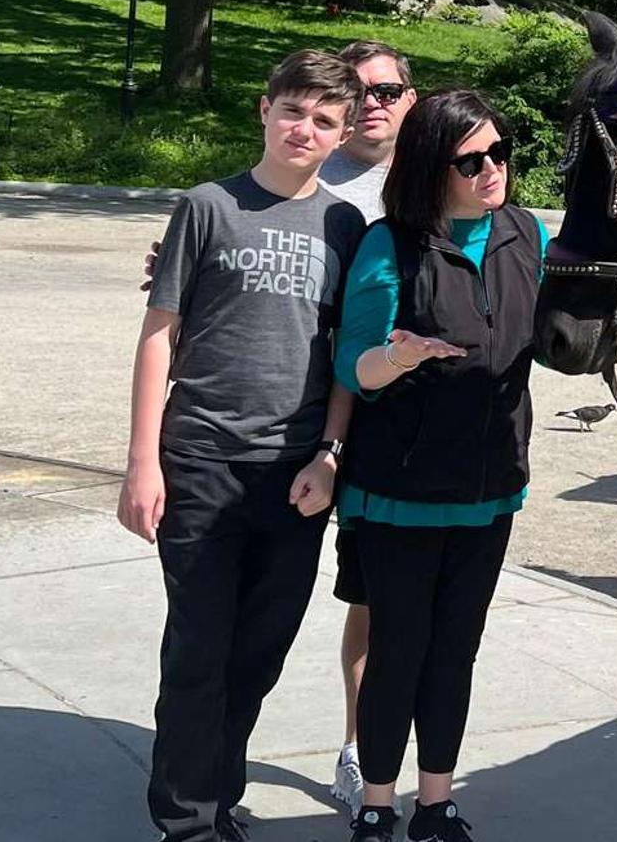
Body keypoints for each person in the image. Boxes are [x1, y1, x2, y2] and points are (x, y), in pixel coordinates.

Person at [139, 41, 417, 817]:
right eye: (292, 110)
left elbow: (342, 356)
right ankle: (188, 817)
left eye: (324, 118)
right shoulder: (207, 206)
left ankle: (216, 794)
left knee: (258, 651)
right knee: (199, 650)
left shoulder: (346, 228)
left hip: (293, 474)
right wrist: (141, 462)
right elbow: (159, 334)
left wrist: (329, 453)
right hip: (198, 459)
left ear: (339, 136)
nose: (305, 127)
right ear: (264, 110)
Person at [332, 89, 547, 842]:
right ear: (432, 167)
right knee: (401, 650)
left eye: (500, 151)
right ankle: (375, 804)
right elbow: (352, 366)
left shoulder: (526, 232)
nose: (493, 169)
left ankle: (435, 804)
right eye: (472, 160)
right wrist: (402, 354)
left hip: (491, 487)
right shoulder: (389, 245)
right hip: (403, 490)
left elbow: (542, 335)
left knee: (456, 649)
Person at [321, 41, 418, 815]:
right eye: (358, 91)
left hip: (402, 428)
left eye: (388, 88)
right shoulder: (310, 178)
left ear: (411, 98)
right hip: (307, 413)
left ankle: (367, 750)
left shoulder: (438, 174)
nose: (374, 101)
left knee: (378, 601)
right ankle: (357, 751)